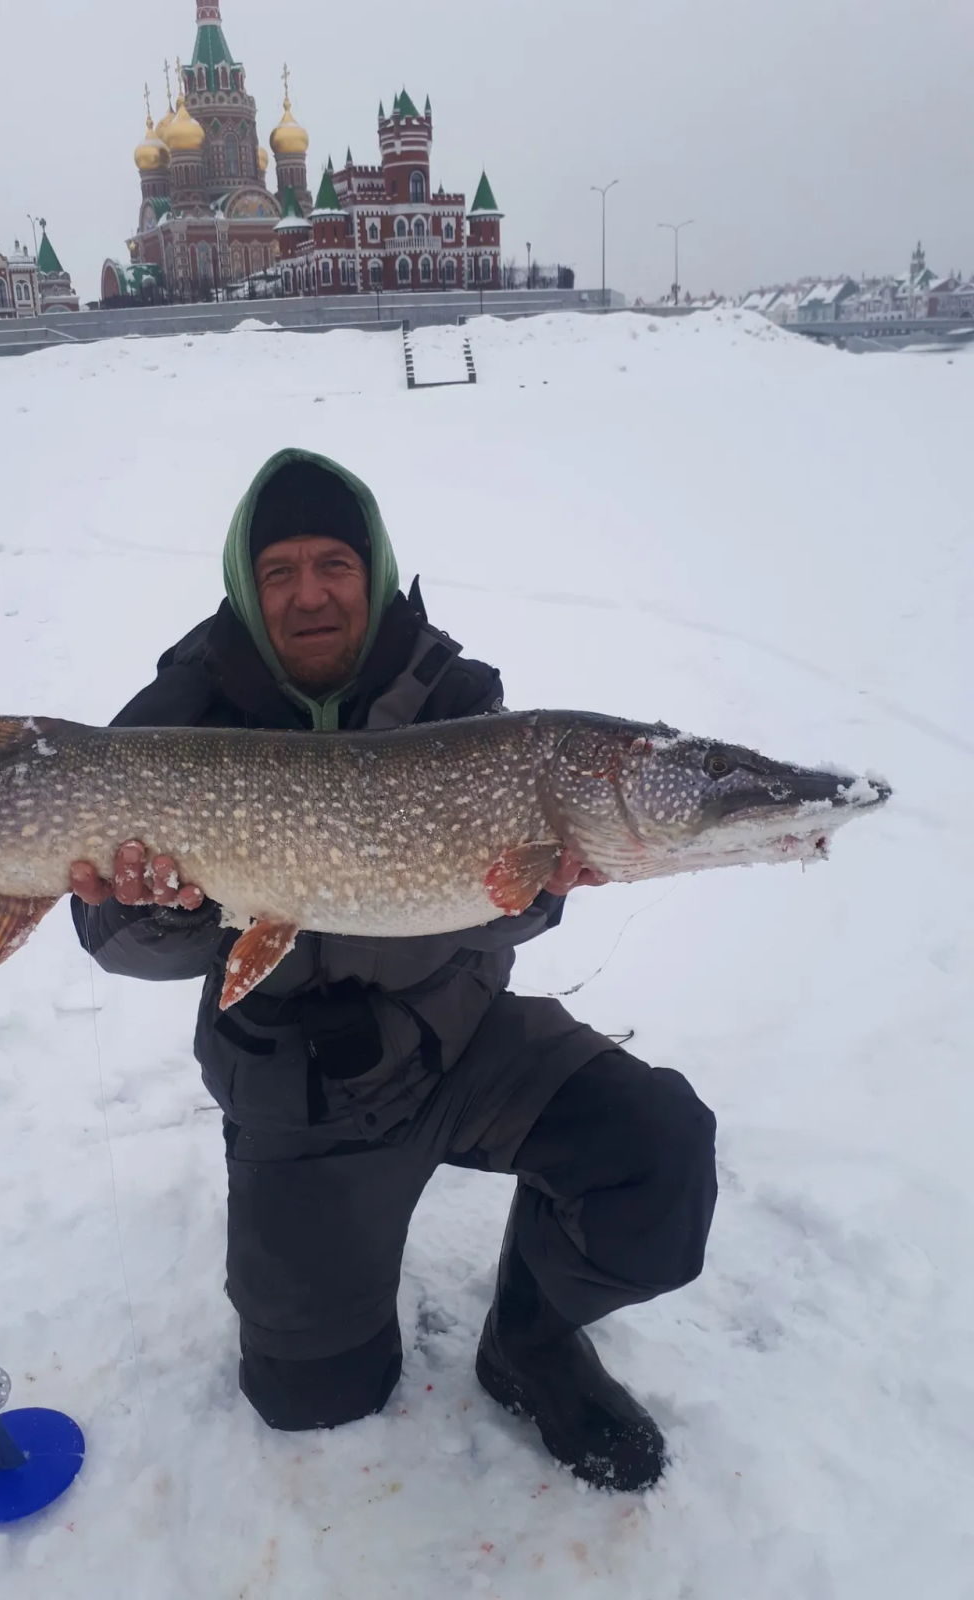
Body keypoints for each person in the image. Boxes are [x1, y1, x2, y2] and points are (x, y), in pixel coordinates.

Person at [72, 449, 716, 1492]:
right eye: (279, 571)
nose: (311, 593)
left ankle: (531, 1337)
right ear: (247, 584)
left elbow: (491, 917)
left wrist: (542, 887)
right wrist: (152, 906)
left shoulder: (458, 697)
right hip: (302, 1096)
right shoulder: (181, 715)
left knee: (661, 1148)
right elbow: (106, 940)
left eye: (334, 562)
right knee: (311, 1393)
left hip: (458, 1043)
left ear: (372, 572)